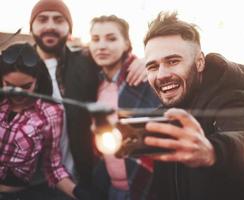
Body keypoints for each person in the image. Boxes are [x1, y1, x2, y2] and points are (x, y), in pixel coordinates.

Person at [141, 12, 244, 200]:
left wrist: (212, 150)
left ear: (199, 62)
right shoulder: (162, 117)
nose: (161, 75)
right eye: (152, 66)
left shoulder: (235, 97)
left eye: (173, 61)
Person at [29, 0, 147, 194]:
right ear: (31, 25)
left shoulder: (86, 64)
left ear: (69, 27)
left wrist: (146, 61)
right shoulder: (14, 69)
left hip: (91, 180)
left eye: (58, 20)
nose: (50, 26)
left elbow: (119, 61)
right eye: (42, 19)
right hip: (34, 185)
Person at [87, 15, 160, 200]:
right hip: (111, 187)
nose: (101, 46)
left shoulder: (142, 78)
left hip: (147, 185)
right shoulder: (94, 82)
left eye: (111, 39)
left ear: (127, 44)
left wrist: (150, 62)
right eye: (95, 39)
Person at [0, 43, 81, 200]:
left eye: (26, 86)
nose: (17, 93)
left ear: (37, 81)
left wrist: (79, 193)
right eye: (9, 86)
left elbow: (53, 167)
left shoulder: (50, 113)